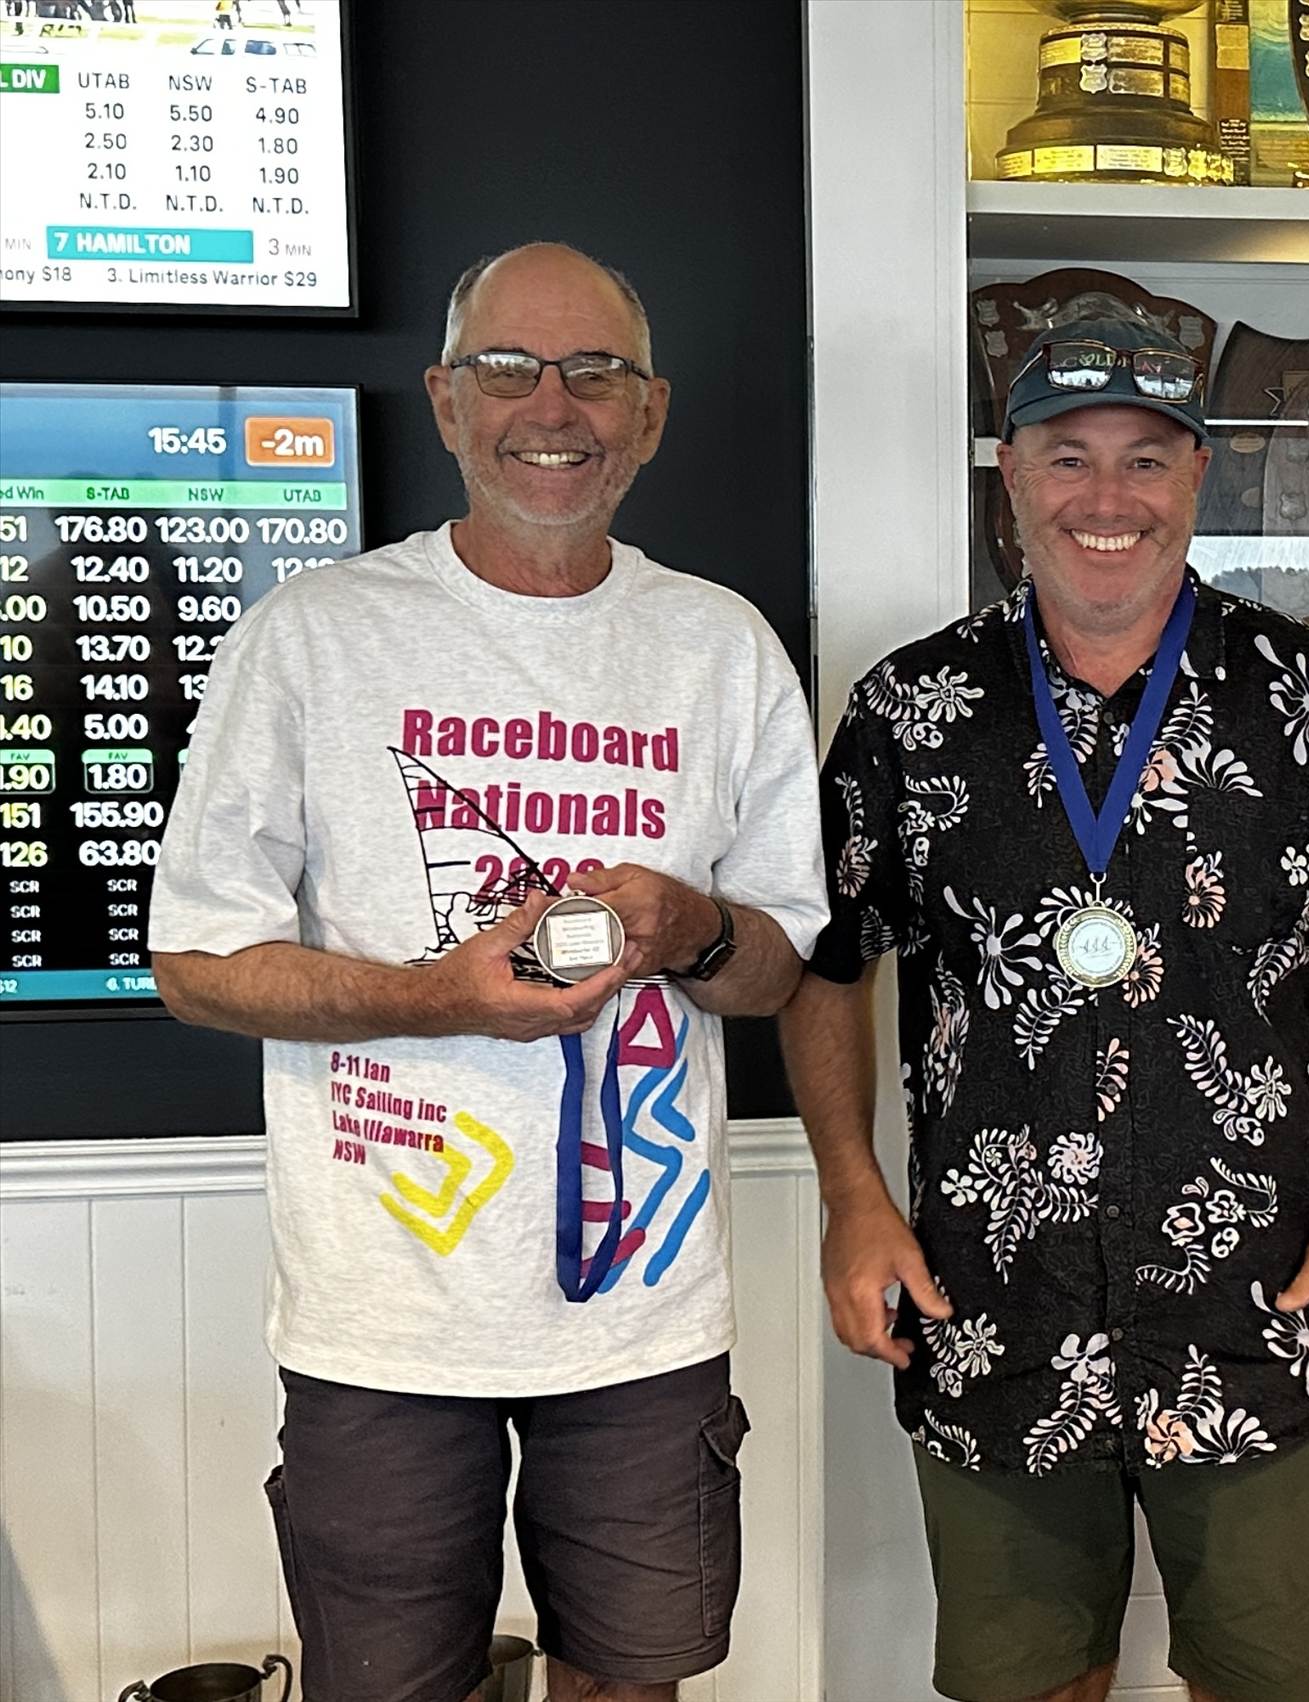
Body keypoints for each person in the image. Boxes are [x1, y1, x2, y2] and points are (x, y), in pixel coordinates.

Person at [149, 242, 828, 1702]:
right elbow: (194, 964)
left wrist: (689, 928)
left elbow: (775, 972)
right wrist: (438, 995)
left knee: (632, 1679)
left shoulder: (722, 649)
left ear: (651, 414)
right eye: (509, 369)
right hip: (383, 1314)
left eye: (598, 373)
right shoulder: (310, 639)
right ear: (448, 400)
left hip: (644, 1309)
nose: (553, 407)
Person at [780, 314, 1309, 1702]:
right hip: (990, 1304)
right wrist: (851, 1195)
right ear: (1010, 474)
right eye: (1067, 455)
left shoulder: (1305, 697)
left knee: (1278, 1684)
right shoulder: (910, 710)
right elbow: (827, 967)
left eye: (1145, 457)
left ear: (1196, 472)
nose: (1107, 496)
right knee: (1027, 1684)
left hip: (1264, 1302)